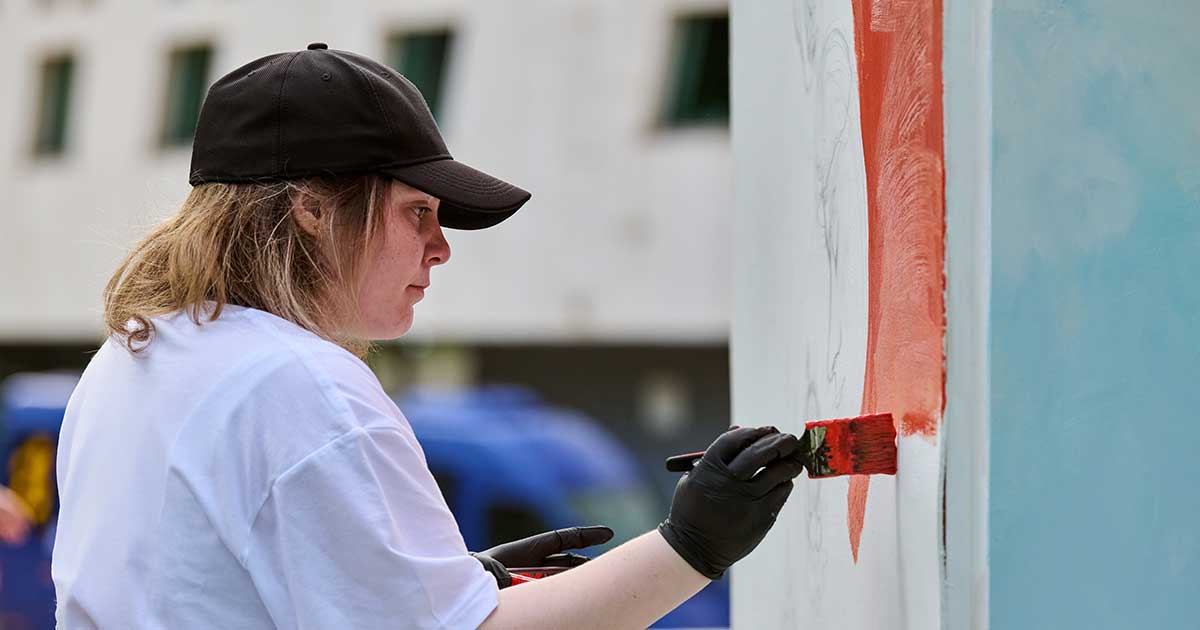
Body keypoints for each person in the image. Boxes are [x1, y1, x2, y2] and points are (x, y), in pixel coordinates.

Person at [51, 43, 806, 629]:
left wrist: (435, 582)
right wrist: (694, 547)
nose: (441, 247)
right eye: (419, 211)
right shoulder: (300, 383)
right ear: (314, 210)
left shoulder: (133, 359)